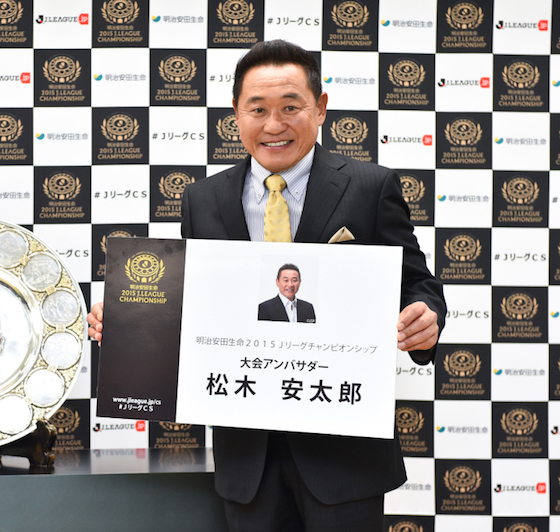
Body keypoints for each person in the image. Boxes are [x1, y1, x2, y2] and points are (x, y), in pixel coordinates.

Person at [88, 40, 445, 532]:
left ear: (320, 108)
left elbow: (417, 283)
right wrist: (130, 322)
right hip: (247, 459)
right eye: (257, 109)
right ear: (236, 113)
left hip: (344, 456)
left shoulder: (370, 187)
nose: (274, 125)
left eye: (290, 107)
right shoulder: (202, 199)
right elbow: (192, 309)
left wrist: (425, 316)